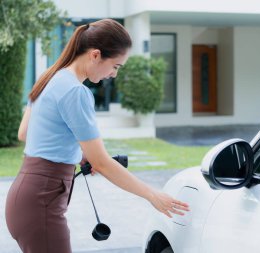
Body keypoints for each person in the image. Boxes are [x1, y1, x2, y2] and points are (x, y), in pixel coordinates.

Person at [5, 19, 189, 253]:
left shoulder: (51, 77)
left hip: (24, 198)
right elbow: (102, 163)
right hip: (41, 203)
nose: (113, 75)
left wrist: (77, 154)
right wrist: (153, 195)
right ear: (95, 55)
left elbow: (25, 133)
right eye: (115, 66)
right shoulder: (76, 92)